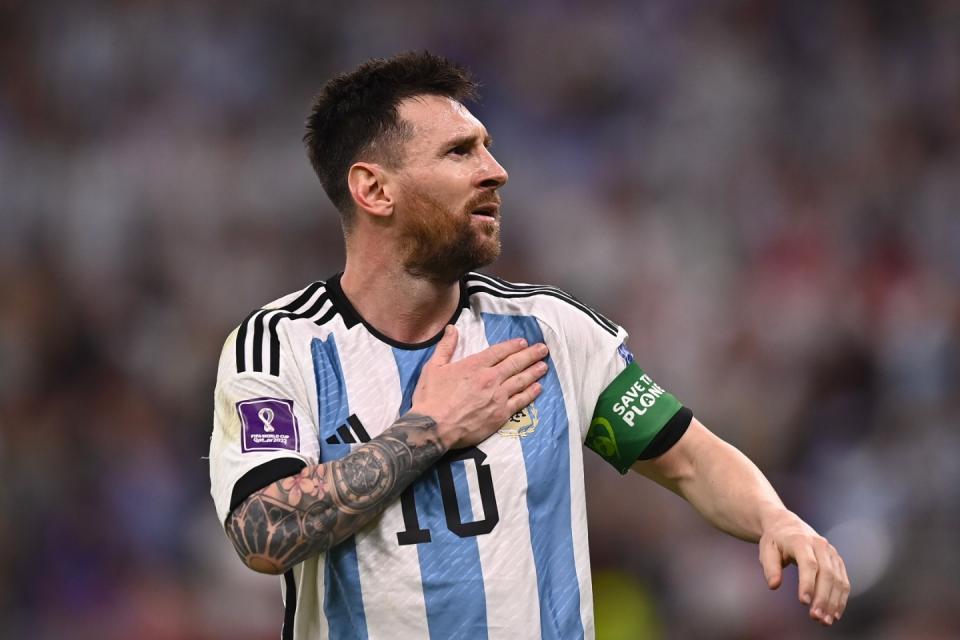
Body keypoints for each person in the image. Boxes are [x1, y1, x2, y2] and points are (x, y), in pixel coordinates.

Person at [208, 51, 850, 639]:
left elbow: (689, 459)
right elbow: (263, 534)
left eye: (487, 148)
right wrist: (428, 430)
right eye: (461, 153)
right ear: (375, 189)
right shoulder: (280, 346)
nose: (497, 171)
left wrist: (776, 518)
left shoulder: (549, 332)